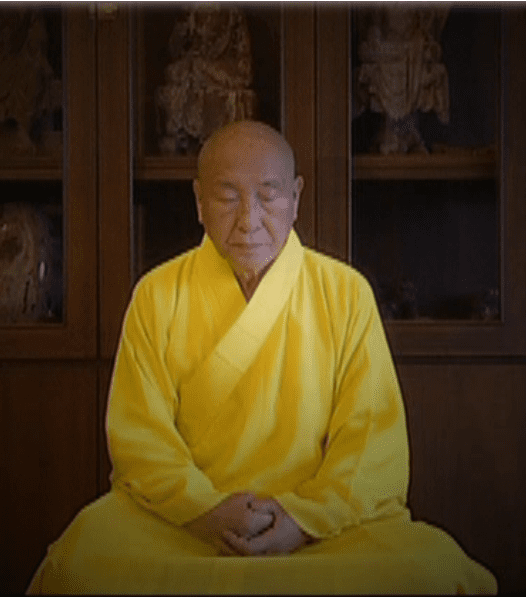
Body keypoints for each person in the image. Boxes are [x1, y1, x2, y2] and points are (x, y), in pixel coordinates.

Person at [27, 121, 497, 594]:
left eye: (268, 196)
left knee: (431, 567)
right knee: (82, 560)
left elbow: (370, 444)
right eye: (227, 197)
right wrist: (207, 511)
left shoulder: (345, 293)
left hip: (318, 529)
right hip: (184, 522)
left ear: (296, 197)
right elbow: (141, 439)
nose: (248, 220)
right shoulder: (157, 295)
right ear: (198, 201)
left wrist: (302, 520)